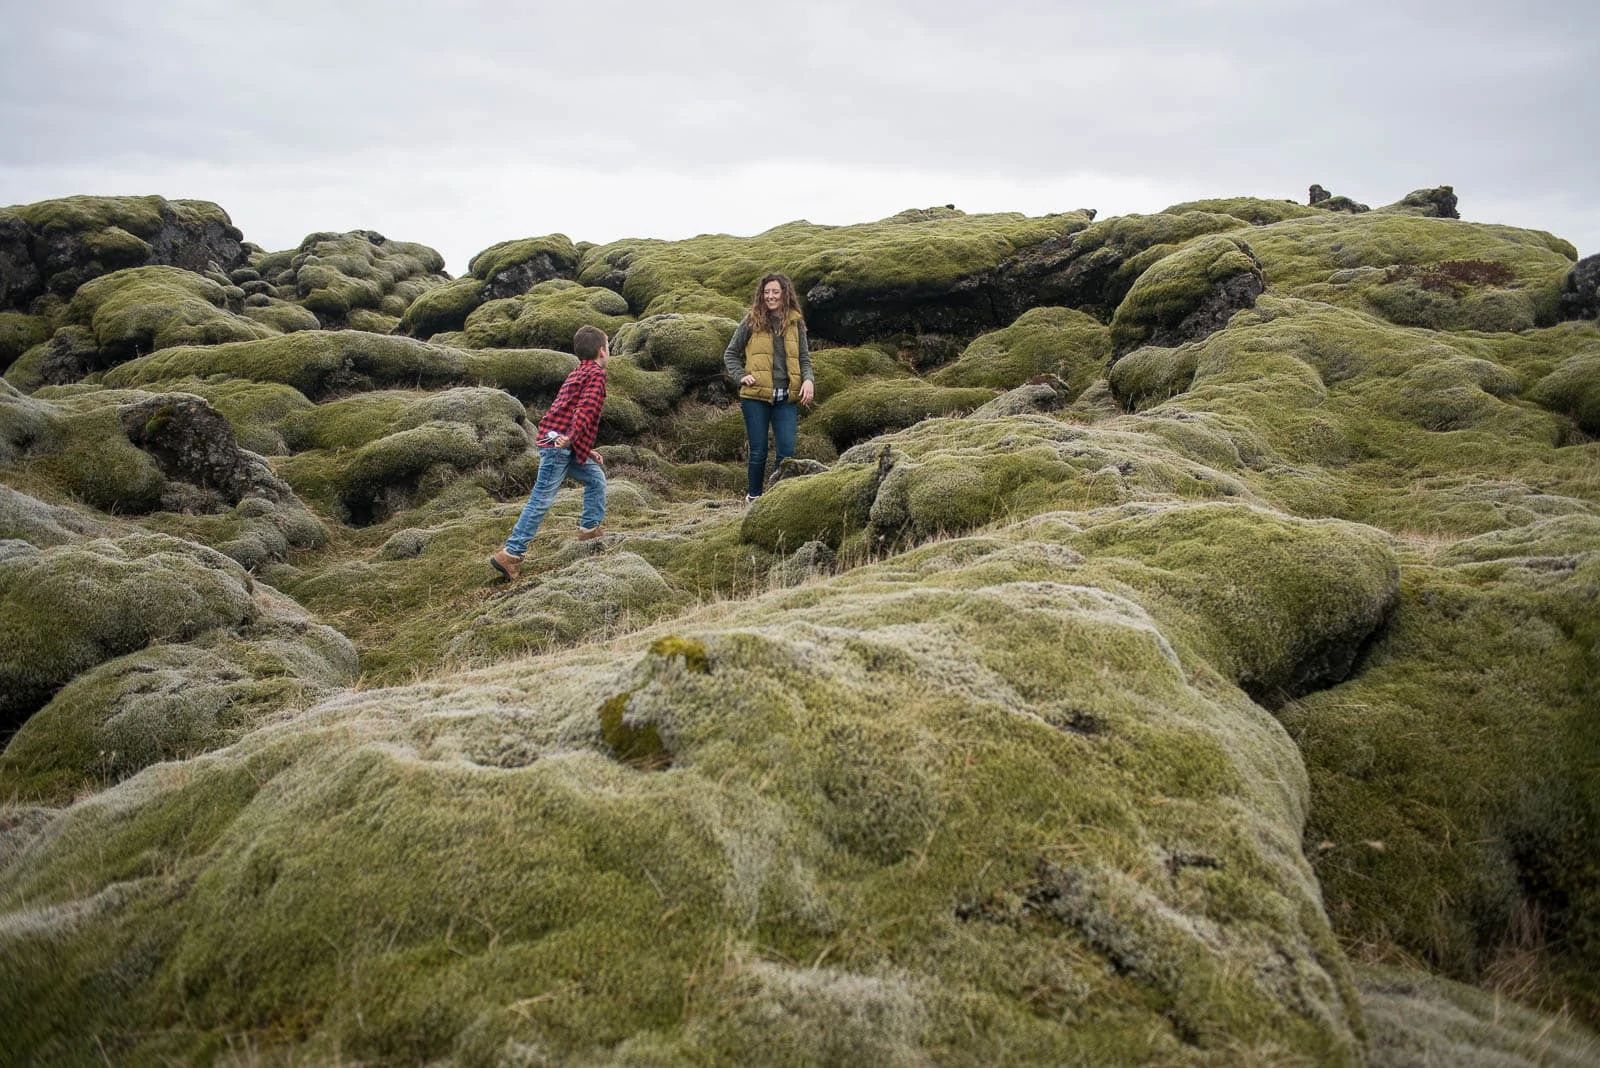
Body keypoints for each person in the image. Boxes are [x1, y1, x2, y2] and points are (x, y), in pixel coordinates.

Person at [489, 324, 610, 582]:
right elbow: (585, 411)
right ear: (602, 350)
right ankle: (511, 553)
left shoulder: (577, 372)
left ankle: (589, 531)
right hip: (560, 446)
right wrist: (573, 437)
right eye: (608, 347)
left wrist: (585, 450)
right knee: (541, 499)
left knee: (595, 479)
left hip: (560, 443)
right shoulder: (596, 375)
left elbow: (565, 410)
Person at [722, 272, 815, 502]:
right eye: (766, 292)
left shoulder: (796, 323)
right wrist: (741, 376)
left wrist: (808, 380)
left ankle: (775, 499)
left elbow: (804, 358)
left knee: (786, 452)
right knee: (758, 452)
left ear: (785, 294)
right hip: (755, 397)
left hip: (786, 397)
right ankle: (753, 498)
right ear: (761, 295)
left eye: (775, 292)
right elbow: (730, 354)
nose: (771, 296)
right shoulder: (751, 321)